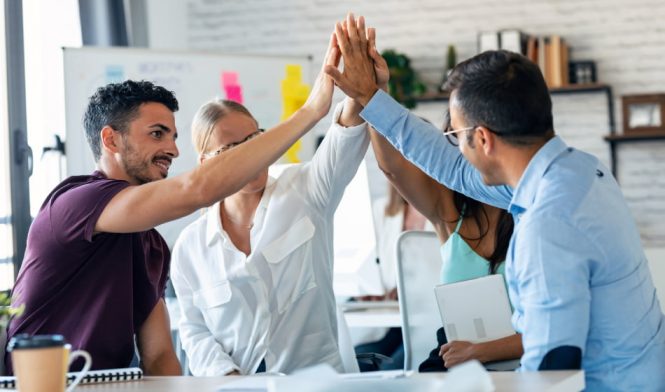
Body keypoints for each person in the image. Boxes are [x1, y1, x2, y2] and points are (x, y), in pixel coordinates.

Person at [326, 14, 665, 391]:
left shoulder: (546, 225)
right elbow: (452, 166)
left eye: (456, 133)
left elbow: (553, 367)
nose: (455, 143)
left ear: (483, 140)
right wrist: (373, 98)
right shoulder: (577, 172)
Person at [6, 33, 340, 375]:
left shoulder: (149, 243)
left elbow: (160, 355)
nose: (173, 150)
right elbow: (197, 189)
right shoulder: (76, 203)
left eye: (173, 136)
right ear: (111, 139)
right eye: (157, 134)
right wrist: (313, 111)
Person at [169, 45, 370, 375]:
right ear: (205, 162)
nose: (252, 153)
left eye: (256, 139)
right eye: (233, 148)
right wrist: (229, 378)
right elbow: (194, 330)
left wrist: (360, 84)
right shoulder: (191, 247)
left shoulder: (306, 189)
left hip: (316, 383)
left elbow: (346, 135)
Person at [362, 53, 520, 370]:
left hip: (517, 364)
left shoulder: (533, 210)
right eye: (452, 139)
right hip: (456, 360)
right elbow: (392, 167)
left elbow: (558, 331)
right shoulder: (449, 210)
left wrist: (481, 351)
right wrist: (373, 94)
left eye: (459, 138)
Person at [352, 184, 431, 371]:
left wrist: (409, 290)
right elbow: (366, 267)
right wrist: (368, 290)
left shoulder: (445, 214)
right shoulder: (381, 211)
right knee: (357, 365)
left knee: (394, 370)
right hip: (385, 322)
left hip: (422, 322)